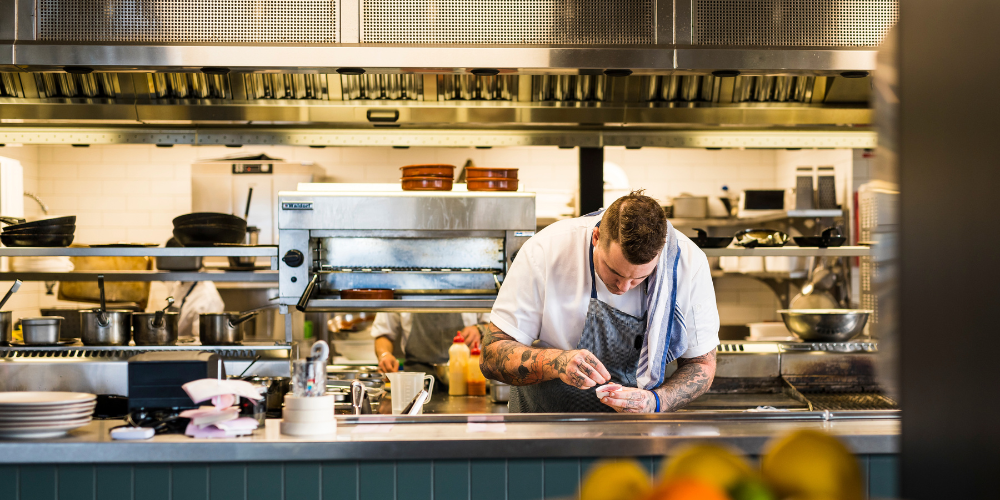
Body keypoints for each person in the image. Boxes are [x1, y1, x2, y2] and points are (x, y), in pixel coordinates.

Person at [481, 190, 720, 413]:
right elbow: (491, 355)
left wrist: (657, 401)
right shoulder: (545, 251)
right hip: (542, 427)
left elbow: (702, 365)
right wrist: (556, 362)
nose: (623, 287)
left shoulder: (687, 263)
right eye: (614, 272)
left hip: (633, 434)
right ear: (596, 237)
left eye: (639, 278)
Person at [372, 313, 489, 374]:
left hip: (468, 377)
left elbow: (497, 326)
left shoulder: (475, 277)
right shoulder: (402, 279)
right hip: (417, 382)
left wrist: (480, 329)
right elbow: (383, 333)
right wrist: (384, 354)